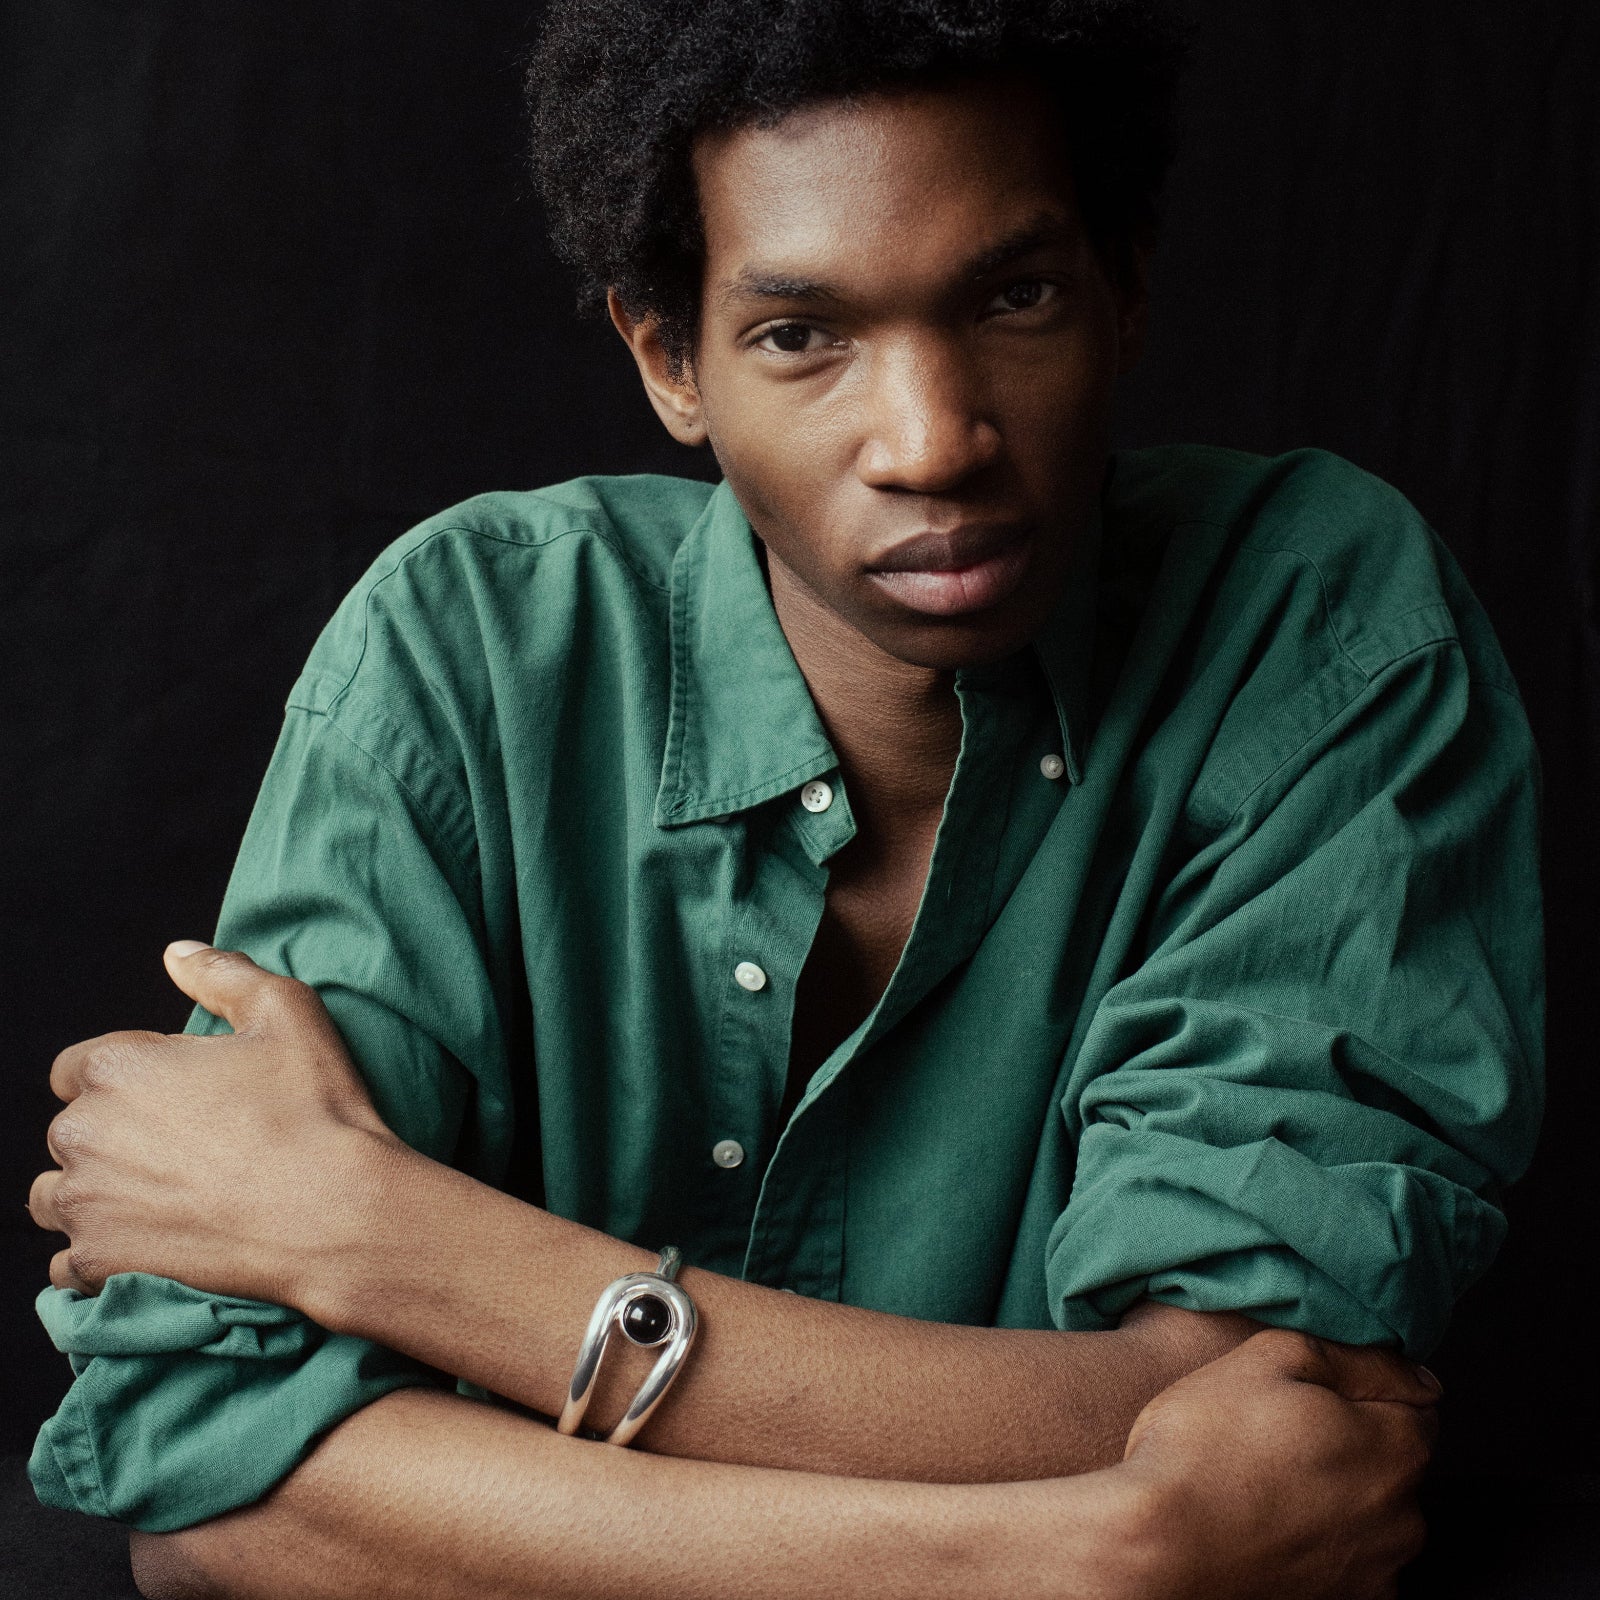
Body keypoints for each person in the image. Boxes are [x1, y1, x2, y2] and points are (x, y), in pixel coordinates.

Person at [26, 1, 1541, 1595]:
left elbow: (1259, 1428)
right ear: (671, 360)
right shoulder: (471, 650)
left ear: (1127, 290)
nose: (933, 440)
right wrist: (1045, 1564)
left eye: (1014, 296)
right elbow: (203, 1486)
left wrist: (386, 1242)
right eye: (802, 334)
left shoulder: (1319, 633)